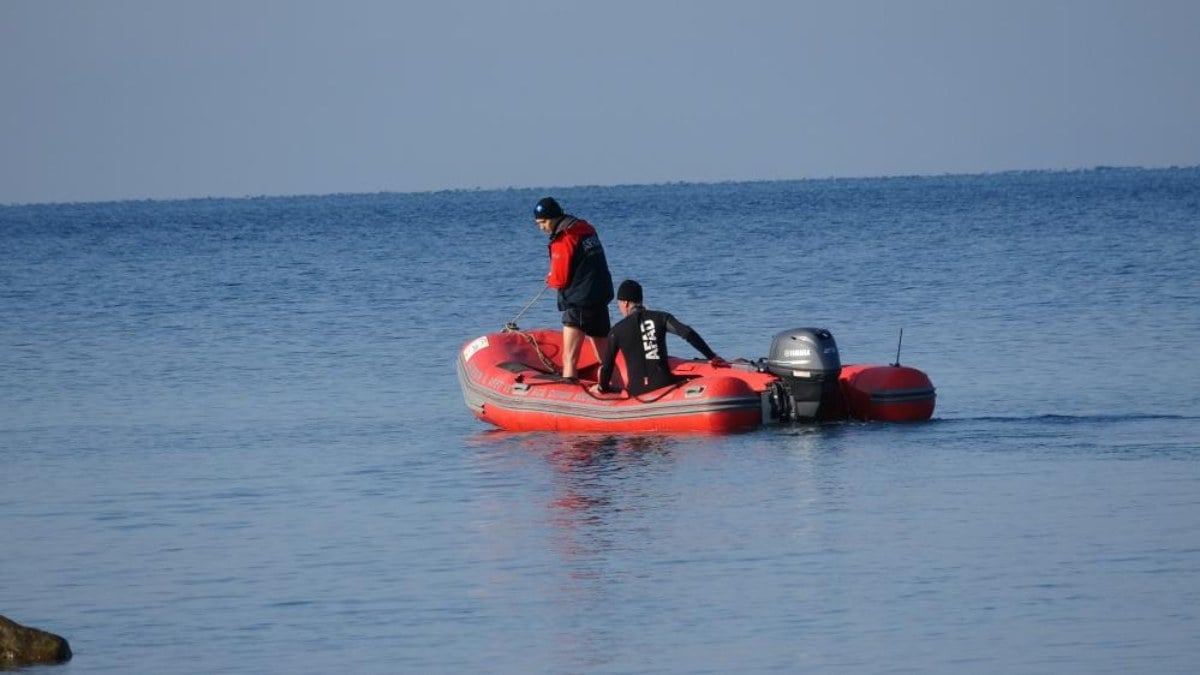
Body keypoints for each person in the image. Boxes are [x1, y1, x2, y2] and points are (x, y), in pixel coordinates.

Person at [592, 279, 729, 397]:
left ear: (625, 303)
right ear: (640, 300)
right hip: (663, 384)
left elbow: (607, 366)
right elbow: (687, 333)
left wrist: (602, 388)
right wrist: (711, 356)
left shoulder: (616, 330)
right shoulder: (661, 318)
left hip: (635, 391)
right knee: (699, 380)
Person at [534, 197, 614, 380]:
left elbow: (559, 280)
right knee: (605, 358)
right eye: (538, 224)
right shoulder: (587, 229)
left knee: (569, 358)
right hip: (600, 300)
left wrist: (551, 278)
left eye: (543, 222)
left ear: (554, 217)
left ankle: (570, 388)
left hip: (579, 303)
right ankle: (617, 389)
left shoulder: (564, 238)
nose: (542, 227)